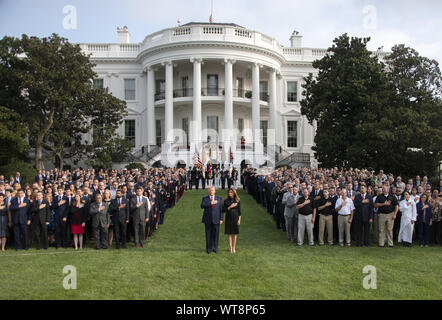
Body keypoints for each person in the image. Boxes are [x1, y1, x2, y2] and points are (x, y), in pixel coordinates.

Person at [201, 186, 223, 253]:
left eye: (212, 190)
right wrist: (211, 203)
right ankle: (208, 248)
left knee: (216, 234)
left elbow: (221, 210)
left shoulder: (219, 198)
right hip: (207, 219)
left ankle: (215, 248)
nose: (211, 191)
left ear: (215, 191)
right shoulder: (205, 198)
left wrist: (221, 218)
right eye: (210, 190)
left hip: (216, 219)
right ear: (208, 191)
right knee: (208, 234)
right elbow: (202, 206)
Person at [223, 187, 241, 253]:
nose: (229, 193)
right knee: (229, 233)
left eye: (231, 192)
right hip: (228, 218)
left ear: (234, 193)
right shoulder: (226, 200)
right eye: (229, 192)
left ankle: (234, 247)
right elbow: (224, 210)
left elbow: (239, 212)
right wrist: (230, 206)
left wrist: (239, 220)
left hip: (235, 218)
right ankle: (230, 248)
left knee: (235, 233)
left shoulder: (237, 200)